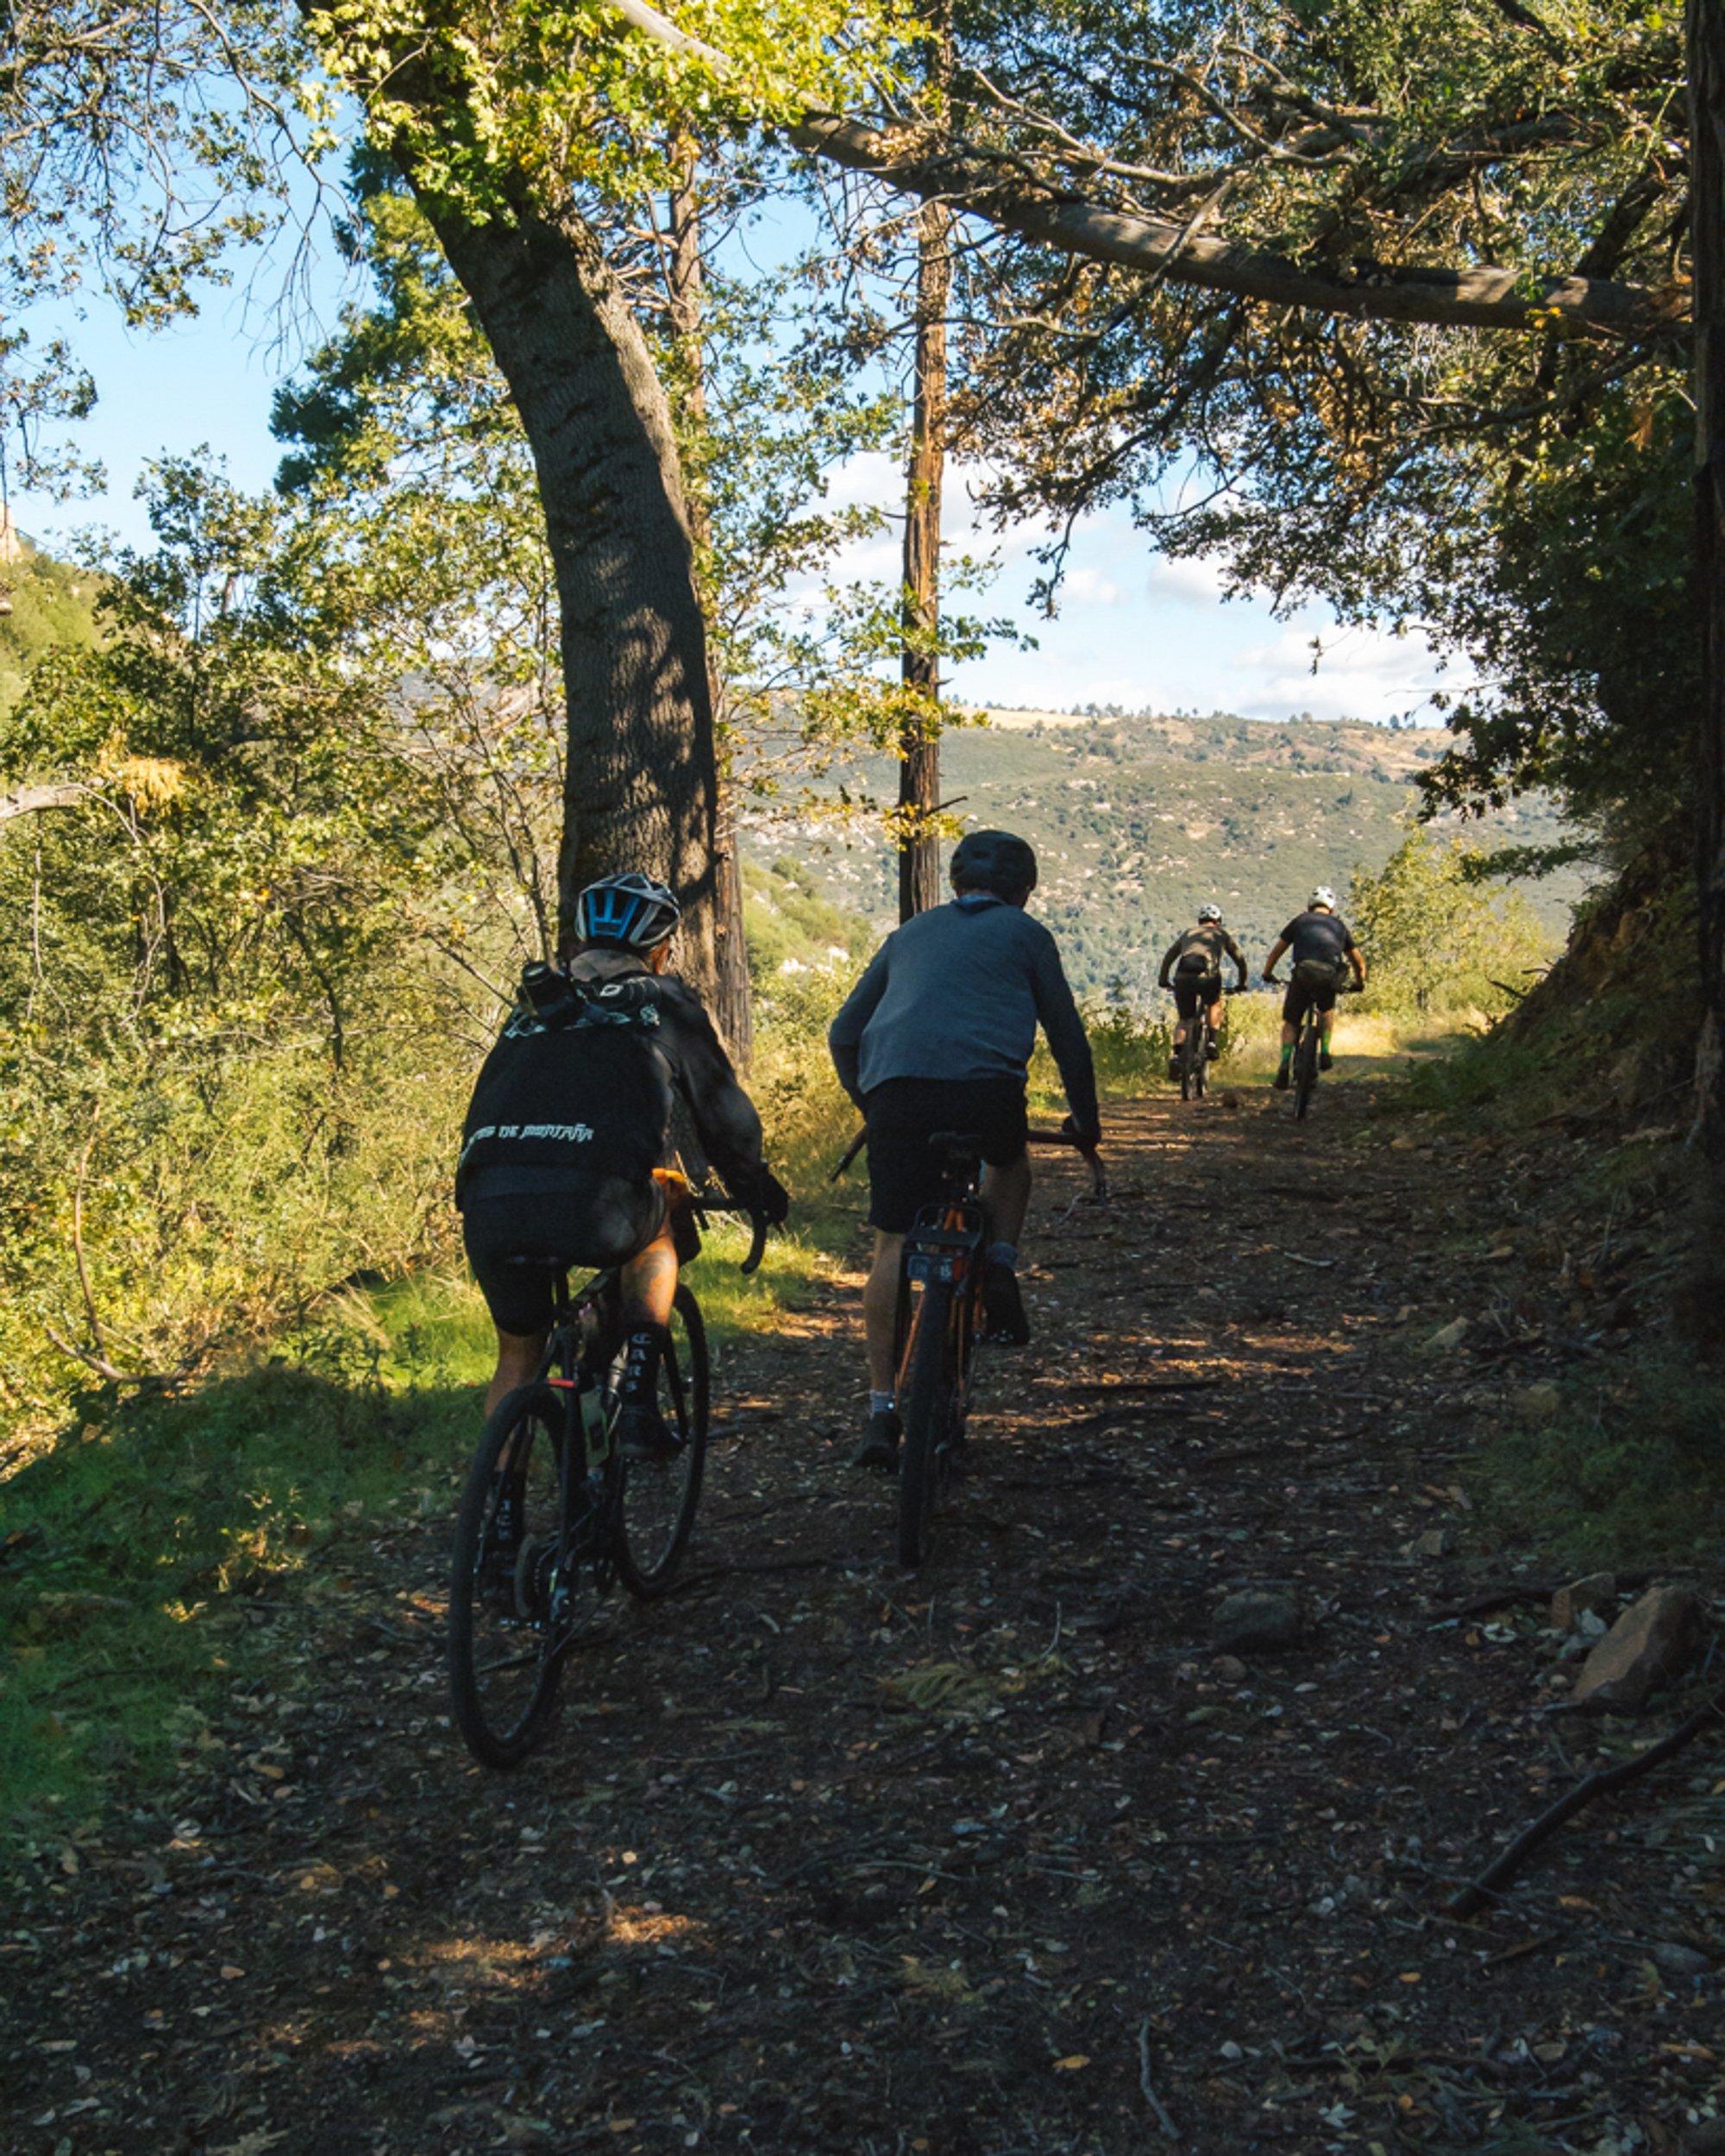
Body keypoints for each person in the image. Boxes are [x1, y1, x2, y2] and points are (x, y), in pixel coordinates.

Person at [457, 872, 788, 1462]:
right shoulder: (665, 1002)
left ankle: (497, 1525)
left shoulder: (531, 1005)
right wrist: (753, 1184)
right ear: (660, 951)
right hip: (597, 1205)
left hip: (489, 1199)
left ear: (580, 941)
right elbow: (722, 1111)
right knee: (664, 1215)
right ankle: (637, 1399)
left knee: (517, 1356)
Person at [827, 830, 1101, 1474]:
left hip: (897, 1099)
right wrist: (1086, 1125)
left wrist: (875, 1107)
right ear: (1024, 891)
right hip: (986, 1097)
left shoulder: (911, 933)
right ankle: (1000, 1262)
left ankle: (880, 1408)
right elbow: (1067, 1037)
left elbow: (844, 1033)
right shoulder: (1028, 936)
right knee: (1010, 1163)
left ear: (955, 882)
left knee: (893, 1243)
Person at [1261, 886, 1367, 1088]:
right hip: (1328, 975)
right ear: (1332, 909)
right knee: (1326, 1010)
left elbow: (1276, 952)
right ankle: (1325, 1052)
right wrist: (1359, 983)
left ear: (1309, 907)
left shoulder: (1300, 921)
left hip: (1303, 973)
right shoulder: (1339, 926)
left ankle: (1284, 1063)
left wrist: (1267, 973)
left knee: (1292, 1021)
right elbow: (1358, 962)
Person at [1157, 902, 1249, 1079]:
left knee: (1185, 1019)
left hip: (1183, 977)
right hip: (1207, 977)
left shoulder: (1189, 933)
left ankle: (1177, 1055)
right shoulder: (1221, 934)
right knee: (1213, 1004)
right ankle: (1212, 1042)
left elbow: (1169, 957)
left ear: (1200, 920)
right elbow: (1240, 961)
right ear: (1218, 921)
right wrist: (1241, 983)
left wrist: (1163, 980)